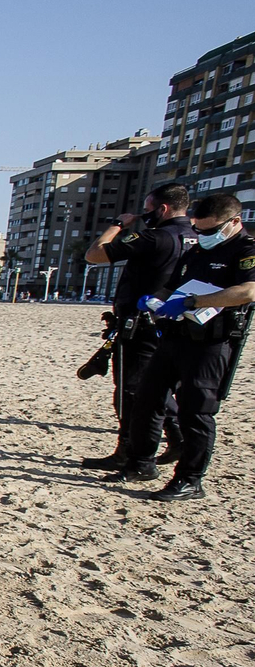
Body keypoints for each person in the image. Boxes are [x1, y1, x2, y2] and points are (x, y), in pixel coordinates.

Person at [109, 193, 255, 500]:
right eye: (199, 230)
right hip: (175, 336)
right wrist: (156, 299)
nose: (203, 236)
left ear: (235, 222)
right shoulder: (196, 250)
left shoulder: (246, 251)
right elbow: (173, 284)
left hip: (211, 343)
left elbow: (246, 291)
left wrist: (195, 302)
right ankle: (141, 463)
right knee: (147, 400)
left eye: (210, 230)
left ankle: (190, 479)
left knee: (195, 411)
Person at [81, 183, 194, 470]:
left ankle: (128, 451)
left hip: (140, 325)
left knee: (131, 391)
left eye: (147, 211)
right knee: (159, 387)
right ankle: (178, 439)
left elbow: (94, 254)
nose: (145, 216)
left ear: (162, 209)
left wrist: (118, 224)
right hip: (174, 326)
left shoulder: (156, 238)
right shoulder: (195, 238)